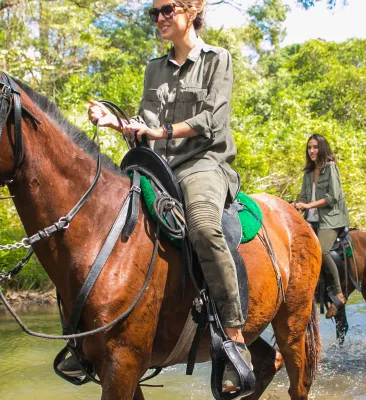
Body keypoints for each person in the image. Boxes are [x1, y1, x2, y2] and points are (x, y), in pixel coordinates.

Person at [86, 0, 248, 392]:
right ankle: (87, 340)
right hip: (158, 164)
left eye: (166, 9)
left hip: (203, 164)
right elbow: (145, 124)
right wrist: (117, 124)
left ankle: (234, 339)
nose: (158, 18)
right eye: (153, 12)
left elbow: (212, 120)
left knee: (205, 227)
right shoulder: (154, 68)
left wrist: (161, 133)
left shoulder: (217, 59)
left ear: (192, 11)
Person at [294, 134, 351, 319]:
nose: (312, 151)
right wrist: (298, 205)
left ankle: (338, 292)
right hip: (310, 219)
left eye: (315, 147)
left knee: (322, 250)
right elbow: (303, 196)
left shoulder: (330, 168)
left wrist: (308, 206)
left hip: (331, 220)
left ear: (322, 148)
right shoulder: (308, 172)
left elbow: (333, 197)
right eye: (309, 147)